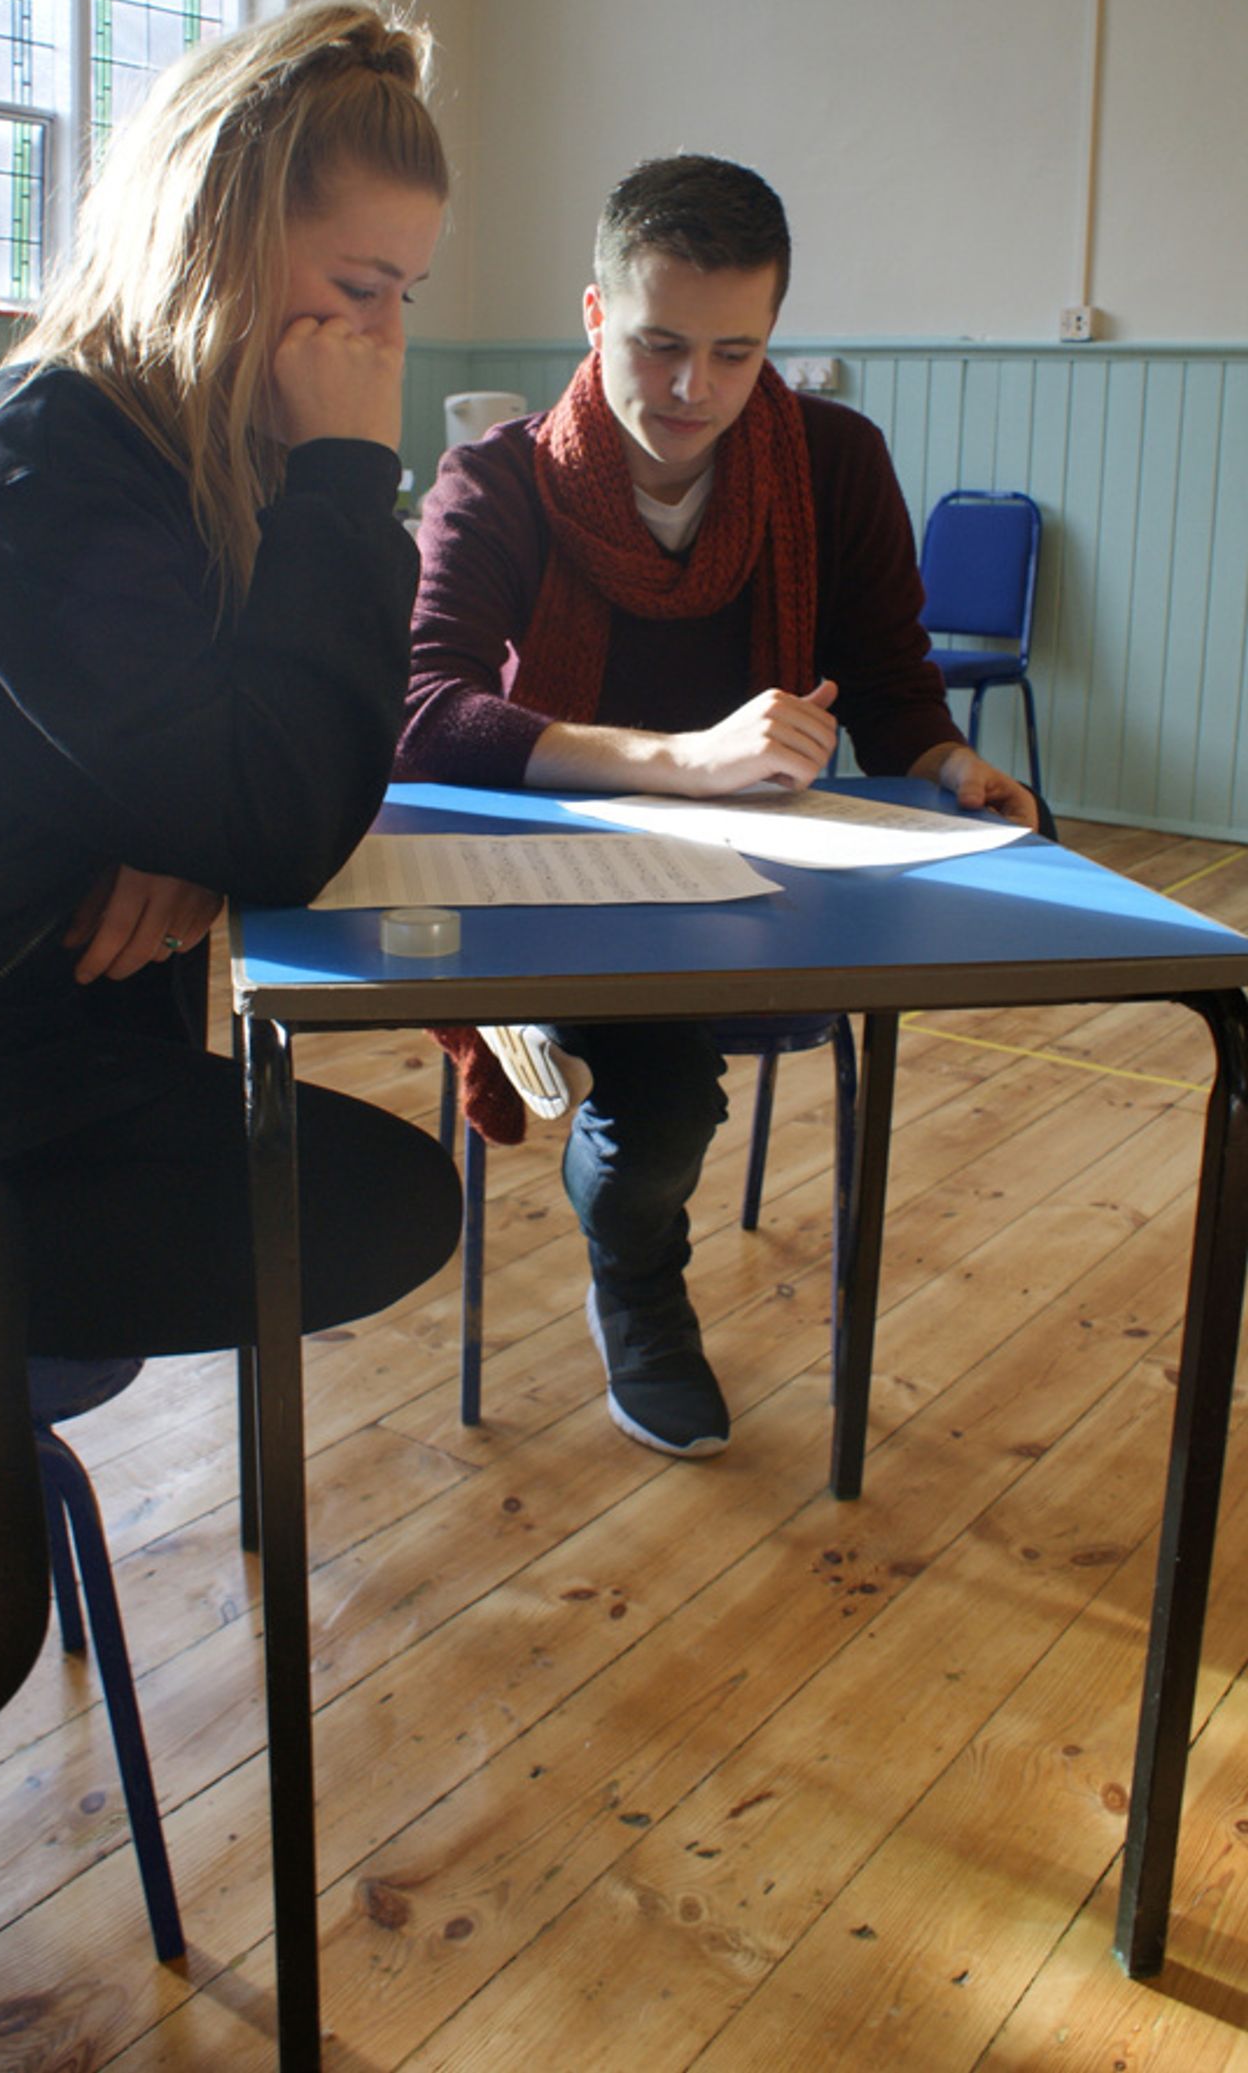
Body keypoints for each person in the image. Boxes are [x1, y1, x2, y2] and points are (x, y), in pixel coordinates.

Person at [0, 0, 463, 1766]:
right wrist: (359, 475)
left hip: (41, 1060)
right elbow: (276, 796)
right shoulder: (38, 457)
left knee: (370, 1201)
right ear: (218, 231)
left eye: (409, 291)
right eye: (359, 286)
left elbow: (257, 774)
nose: (385, 334)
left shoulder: (181, 457)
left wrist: (186, 824)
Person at [398, 153, 1040, 1463]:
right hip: (565, 894)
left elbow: (891, 675)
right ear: (593, 317)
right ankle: (639, 1283)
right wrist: (682, 760)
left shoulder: (835, 464)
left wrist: (942, 764)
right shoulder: (497, 480)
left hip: (770, 886)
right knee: (665, 1098)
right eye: (659, 344)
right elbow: (424, 714)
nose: (694, 390)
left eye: (737, 354)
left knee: (696, 1051)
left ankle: (630, 1227)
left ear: (772, 341)